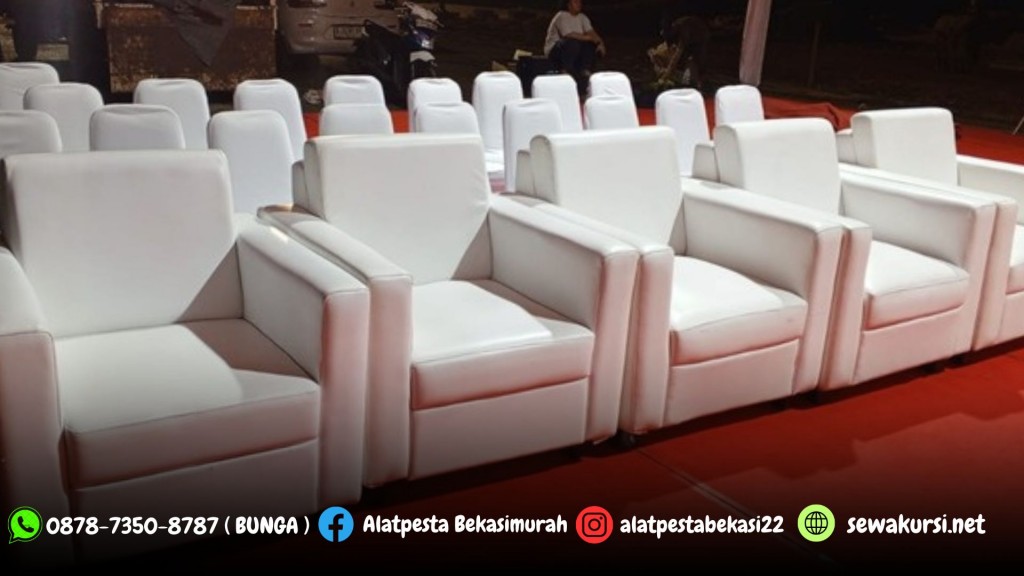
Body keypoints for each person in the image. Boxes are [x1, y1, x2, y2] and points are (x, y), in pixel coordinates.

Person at [543, 0, 605, 93]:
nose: (579, 4)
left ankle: (585, 71)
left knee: (589, 45)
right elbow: (568, 34)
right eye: (575, 2)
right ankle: (565, 71)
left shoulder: (582, 17)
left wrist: (600, 43)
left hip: (575, 49)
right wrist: (589, 38)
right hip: (556, 50)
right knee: (572, 43)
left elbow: (591, 33)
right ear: (568, 5)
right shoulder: (561, 16)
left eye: (579, 2)